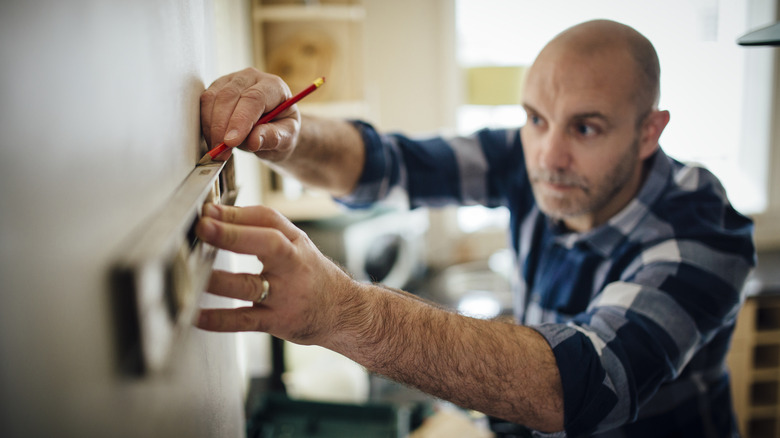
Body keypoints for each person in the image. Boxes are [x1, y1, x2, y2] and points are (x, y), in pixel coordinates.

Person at [196, 19, 755, 437]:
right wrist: (288, 135)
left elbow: (586, 383)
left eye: (586, 128)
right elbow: (385, 163)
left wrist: (342, 311)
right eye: (535, 117)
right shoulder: (531, 153)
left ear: (648, 133)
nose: (548, 155)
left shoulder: (704, 234)